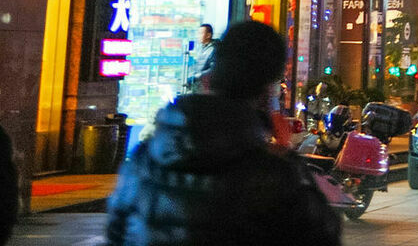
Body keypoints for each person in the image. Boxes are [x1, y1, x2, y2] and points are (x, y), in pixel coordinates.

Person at [106, 19, 341, 246]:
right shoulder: (277, 178)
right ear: (267, 91)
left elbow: (116, 234)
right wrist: (287, 157)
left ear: (210, 78)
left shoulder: (144, 159)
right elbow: (323, 235)